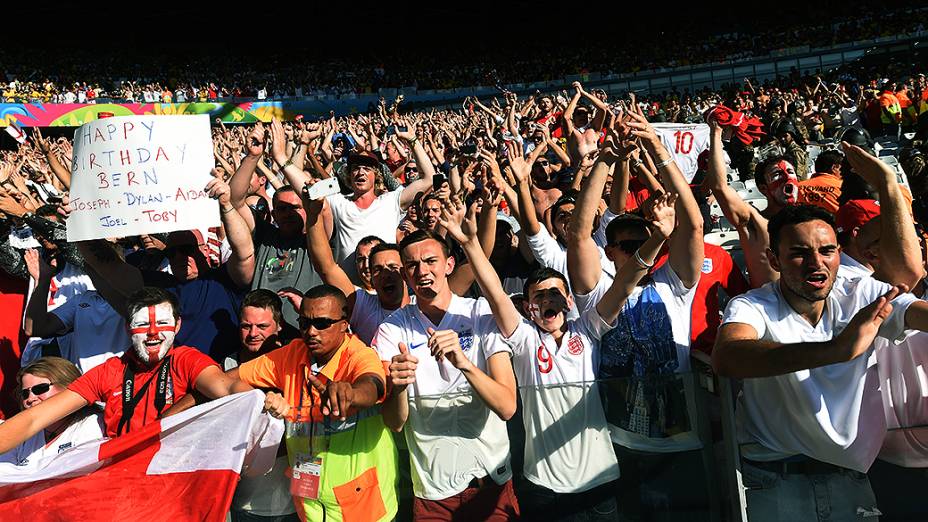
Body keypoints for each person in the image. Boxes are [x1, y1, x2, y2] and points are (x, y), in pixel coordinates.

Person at [440, 179, 678, 520]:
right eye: (538, 296)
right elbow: (493, 290)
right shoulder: (522, 340)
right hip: (543, 483)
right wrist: (470, 244)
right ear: (527, 306)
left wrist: (658, 238)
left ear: (569, 300)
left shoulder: (590, 328)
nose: (547, 300)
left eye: (555, 293)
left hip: (600, 477)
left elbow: (625, 283)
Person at [712, 204, 928, 521]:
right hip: (775, 481)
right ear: (774, 259)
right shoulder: (753, 305)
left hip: (852, 480)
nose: (816, 263)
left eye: (827, 250)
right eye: (799, 253)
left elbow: (917, 312)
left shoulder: (861, 291)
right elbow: (727, 356)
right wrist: (834, 350)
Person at [374, 229, 520, 521]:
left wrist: (465, 363)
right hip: (433, 491)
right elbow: (395, 422)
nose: (423, 271)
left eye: (430, 261)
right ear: (405, 273)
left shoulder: (480, 313)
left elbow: (507, 407)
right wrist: (400, 386)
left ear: (449, 265)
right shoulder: (391, 329)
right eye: (412, 265)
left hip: (492, 481)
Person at [0, 287, 248, 452]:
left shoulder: (186, 360)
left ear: (178, 325)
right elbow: (36, 418)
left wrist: (261, 398)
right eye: (142, 324)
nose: (152, 333)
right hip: (124, 481)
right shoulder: (110, 371)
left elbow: (226, 387)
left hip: (175, 481)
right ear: (128, 327)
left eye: (162, 323)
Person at [229, 284, 399, 522]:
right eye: (303, 323)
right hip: (310, 509)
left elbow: (372, 386)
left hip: (362, 510)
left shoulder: (360, 354)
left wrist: (349, 393)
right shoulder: (292, 353)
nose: (311, 332)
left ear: (344, 323)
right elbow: (228, 379)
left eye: (321, 323)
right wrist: (258, 398)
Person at [229, 125, 324, 330]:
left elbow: (317, 197)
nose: (288, 213)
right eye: (282, 209)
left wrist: (281, 157)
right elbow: (235, 201)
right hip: (261, 335)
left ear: (307, 210)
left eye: (295, 207)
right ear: (273, 215)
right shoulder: (265, 235)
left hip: (301, 336)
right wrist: (252, 157)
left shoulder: (319, 238)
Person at [224, 289, 298, 522]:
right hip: (242, 504)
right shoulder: (226, 367)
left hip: (292, 505)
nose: (253, 334)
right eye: (246, 326)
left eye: (262, 326)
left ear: (279, 326)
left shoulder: (296, 365)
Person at [0, 357, 104, 467]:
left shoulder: (93, 424)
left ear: (68, 387)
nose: (30, 399)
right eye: (25, 393)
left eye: (40, 389)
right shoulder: (20, 433)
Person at [798, 149, 844, 214]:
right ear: (835, 167)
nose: (845, 171)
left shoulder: (798, 187)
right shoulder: (842, 187)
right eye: (843, 167)